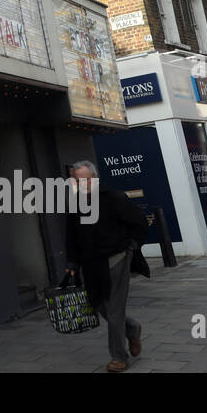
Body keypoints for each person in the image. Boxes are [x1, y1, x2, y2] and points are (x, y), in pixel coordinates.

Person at [64, 160, 150, 373]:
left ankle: (119, 357)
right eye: (77, 180)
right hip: (90, 264)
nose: (81, 183)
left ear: (94, 178)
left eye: (85, 179)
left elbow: (139, 222)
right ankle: (132, 328)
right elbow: (71, 236)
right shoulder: (75, 204)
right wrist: (72, 262)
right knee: (98, 304)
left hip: (116, 259)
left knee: (114, 310)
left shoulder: (114, 198)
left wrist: (131, 247)